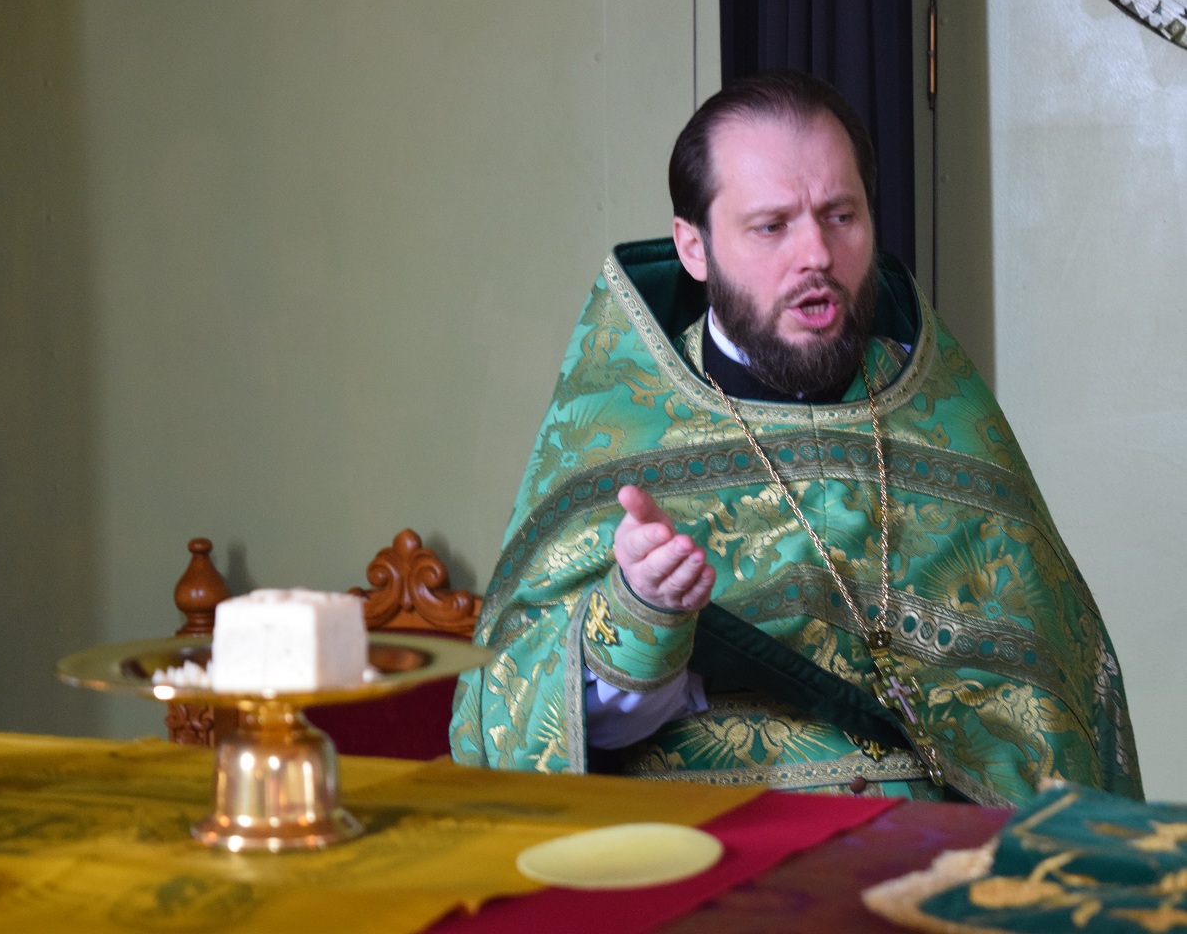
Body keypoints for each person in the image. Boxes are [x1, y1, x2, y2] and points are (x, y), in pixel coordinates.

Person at [449, 69, 1141, 807]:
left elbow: (1059, 703)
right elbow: (516, 721)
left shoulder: (944, 411)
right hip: (712, 843)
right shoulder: (617, 428)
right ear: (694, 247)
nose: (817, 254)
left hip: (938, 854)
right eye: (772, 226)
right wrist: (640, 615)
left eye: (841, 216)